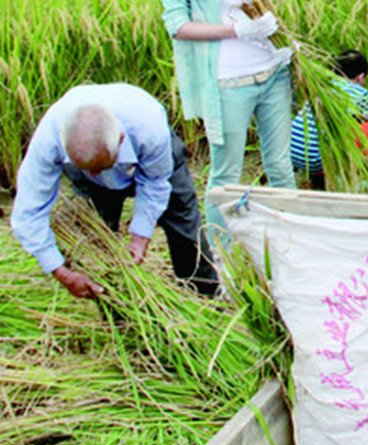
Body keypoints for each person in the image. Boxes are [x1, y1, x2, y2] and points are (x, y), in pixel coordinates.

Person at [160, 0, 296, 244]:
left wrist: (281, 38)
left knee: (281, 167)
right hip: (227, 80)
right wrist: (236, 30)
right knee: (226, 175)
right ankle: (220, 259)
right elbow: (177, 24)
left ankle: (286, 244)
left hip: (272, 71)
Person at [11, 83, 219, 299]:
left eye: (100, 167)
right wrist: (61, 271)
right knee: (97, 245)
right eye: (87, 169)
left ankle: (205, 298)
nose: (93, 174)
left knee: (184, 229)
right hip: (92, 169)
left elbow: (155, 182)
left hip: (153, 163)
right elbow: (28, 214)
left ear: (120, 139)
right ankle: (115, 307)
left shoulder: (148, 126)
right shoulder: (48, 140)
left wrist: (140, 237)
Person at [290, 49, 368, 189]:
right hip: (318, 160)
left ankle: (315, 176)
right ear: (361, 77)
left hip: (293, 152)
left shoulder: (324, 86)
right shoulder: (359, 92)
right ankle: (341, 178)